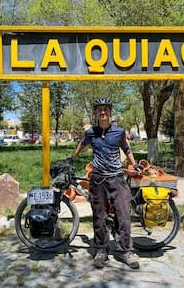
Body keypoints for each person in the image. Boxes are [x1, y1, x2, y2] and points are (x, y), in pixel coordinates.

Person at [68, 98, 141, 269]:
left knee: (123, 214)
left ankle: (125, 251)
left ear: (110, 112)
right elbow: (81, 144)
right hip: (98, 179)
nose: (103, 112)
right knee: (99, 216)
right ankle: (101, 250)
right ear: (95, 113)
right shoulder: (90, 133)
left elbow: (126, 148)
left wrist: (134, 163)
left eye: (106, 109)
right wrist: (72, 158)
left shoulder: (119, 132)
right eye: (99, 110)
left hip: (117, 178)